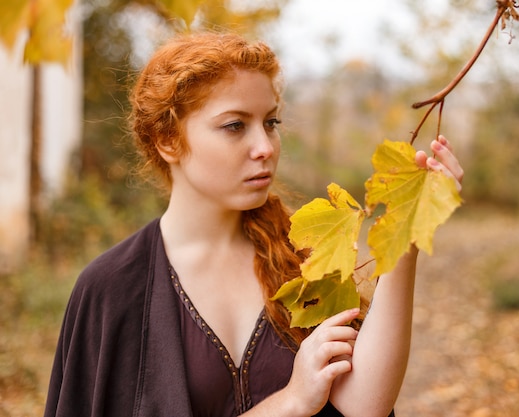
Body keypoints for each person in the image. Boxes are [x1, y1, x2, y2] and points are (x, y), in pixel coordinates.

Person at [44, 31, 464, 417]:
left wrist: (407, 225)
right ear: (169, 140)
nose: (264, 147)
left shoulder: (304, 258)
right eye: (234, 126)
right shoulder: (111, 289)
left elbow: (364, 405)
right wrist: (291, 402)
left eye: (271, 122)